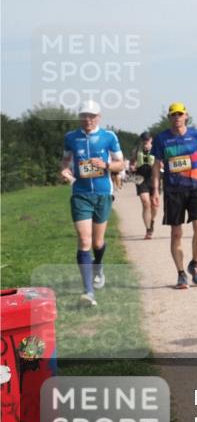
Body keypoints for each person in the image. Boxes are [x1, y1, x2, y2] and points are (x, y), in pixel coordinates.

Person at [60, 100, 124, 307]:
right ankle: (88, 292)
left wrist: (105, 165)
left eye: (91, 116)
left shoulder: (109, 137)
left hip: (103, 193)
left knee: (97, 243)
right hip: (80, 194)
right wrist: (65, 172)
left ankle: (99, 266)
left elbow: (120, 164)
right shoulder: (71, 138)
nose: (87, 119)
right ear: (79, 117)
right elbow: (66, 163)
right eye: (84, 116)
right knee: (84, 241)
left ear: (99, 117)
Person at [150, 102, 197, 290]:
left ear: (186, 115)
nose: (177, 117)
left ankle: (194, 263)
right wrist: (155, 190)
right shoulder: (162, 138)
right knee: (176, 233)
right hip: (173, 190)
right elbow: (156, 166)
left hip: (196, 187)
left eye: (180, 114)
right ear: (169, 117)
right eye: (173, 115)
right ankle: (180, 274)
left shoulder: (196, 135)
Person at [133, 131, 157, 239]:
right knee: (145, 202)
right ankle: (148, 230)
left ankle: (151, 221)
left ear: (151, 139)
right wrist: (132, 166)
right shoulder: (137, 150)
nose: (145, 141)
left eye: (147, 139)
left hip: (152, 177)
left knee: (154, 205)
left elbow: (161, 162)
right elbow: (132, 161)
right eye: (144, 140)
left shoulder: (156, 149)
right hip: (140, 177)